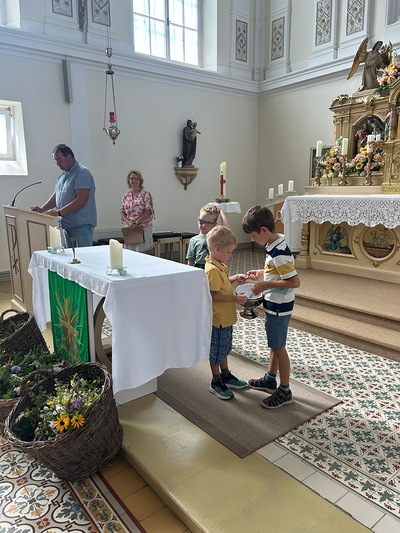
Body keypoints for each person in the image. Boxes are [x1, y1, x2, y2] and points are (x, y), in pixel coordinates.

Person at [242, 205, 300, 409]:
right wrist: (262, 273)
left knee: (279, 347)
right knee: (275, 345)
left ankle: (285, 390)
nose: (252, 239)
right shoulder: (275, 244)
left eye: (253, 235)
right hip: (275, 303)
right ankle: (270, 379)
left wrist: (265, 284)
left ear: (264, 230)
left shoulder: (279, 252)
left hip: (279, 306)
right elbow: (278, 271)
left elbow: (294, 282)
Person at [205, 225, 249, 400]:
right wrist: (234, 298)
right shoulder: (212, 270)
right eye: (229, 252)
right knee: (216, 352)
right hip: (218, 321)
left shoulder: (219, 266)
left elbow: (222, 284)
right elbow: (212, 295)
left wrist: (235, 277)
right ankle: (216, 381)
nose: (231, 255)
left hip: (226, 319)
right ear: (218, 248)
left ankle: (226, 375)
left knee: (224, 349)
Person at [30, 144, 96, 247]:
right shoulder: (62, 174)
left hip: (81, 224)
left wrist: (59, 212)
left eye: (59, 160)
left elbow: (82, 199)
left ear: (68, 157)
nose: (57, 163)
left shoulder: (82, 172)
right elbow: (56, 195)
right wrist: (42, 210)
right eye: (55, 161)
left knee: (83, 255)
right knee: (70, 256)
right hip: (67, 224)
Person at [120, 170, 154, 253]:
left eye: (136, 179)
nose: (134, 181)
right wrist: (129, 223)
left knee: (143, 253)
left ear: (140, 181)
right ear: (128, 181)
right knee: (130, 253)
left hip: (143, 227)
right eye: (132, 179)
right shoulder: (126, 196)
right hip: (130, 228)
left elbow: (148, 211)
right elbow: (122, 211)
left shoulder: (145, 194)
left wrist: (136, 223)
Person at [187, 205, 230, 269]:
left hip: (214, 267)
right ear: (198, 220)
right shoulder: (193, 240)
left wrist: (221, 212)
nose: (204, 225)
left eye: (208, 223)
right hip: (200, 268)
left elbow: (227, 229)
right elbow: (190, 262)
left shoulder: (215, 236)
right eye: (202, 221)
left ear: (214, 224)